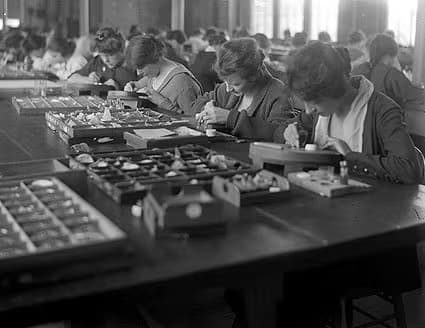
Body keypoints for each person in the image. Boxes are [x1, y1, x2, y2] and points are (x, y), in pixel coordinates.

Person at [284, 41, 424, 184]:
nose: (308, 110)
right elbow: (282, 131)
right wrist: (293, 133)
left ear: (332, 89)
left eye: (314, 102)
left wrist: (351, 156)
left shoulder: (382, 110)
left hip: (368, 202)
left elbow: (409, 169)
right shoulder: (317, 110)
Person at [192, 38, 294, 141]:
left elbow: (280, 133)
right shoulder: (230, 87)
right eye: (226, 81)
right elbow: (198, 103)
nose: (228, 89)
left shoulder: (278, 93)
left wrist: (230, 118)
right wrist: (206, 109)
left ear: (253, 76)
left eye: (236, 84)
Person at [124, 35, 202, 115]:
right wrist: (133, 85)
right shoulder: (153, 74)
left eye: (141, 67)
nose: (138, 73)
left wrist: (164, 103)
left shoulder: (183, 82)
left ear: (155, 58)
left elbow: (193, 119)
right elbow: (142, 83)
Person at [352, 33, 424, 111]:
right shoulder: (391, 74)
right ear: (391, 55)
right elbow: (414, 94)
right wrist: (398, 69)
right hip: (386, 119)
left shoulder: (361, 69)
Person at [69, 27, 136, 90]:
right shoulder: (98, 61)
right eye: (102, 56)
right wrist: (90, 81)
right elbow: (71, 79)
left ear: (122, 50)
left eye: (110, 55)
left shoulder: (134, 64)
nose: (106, 60)